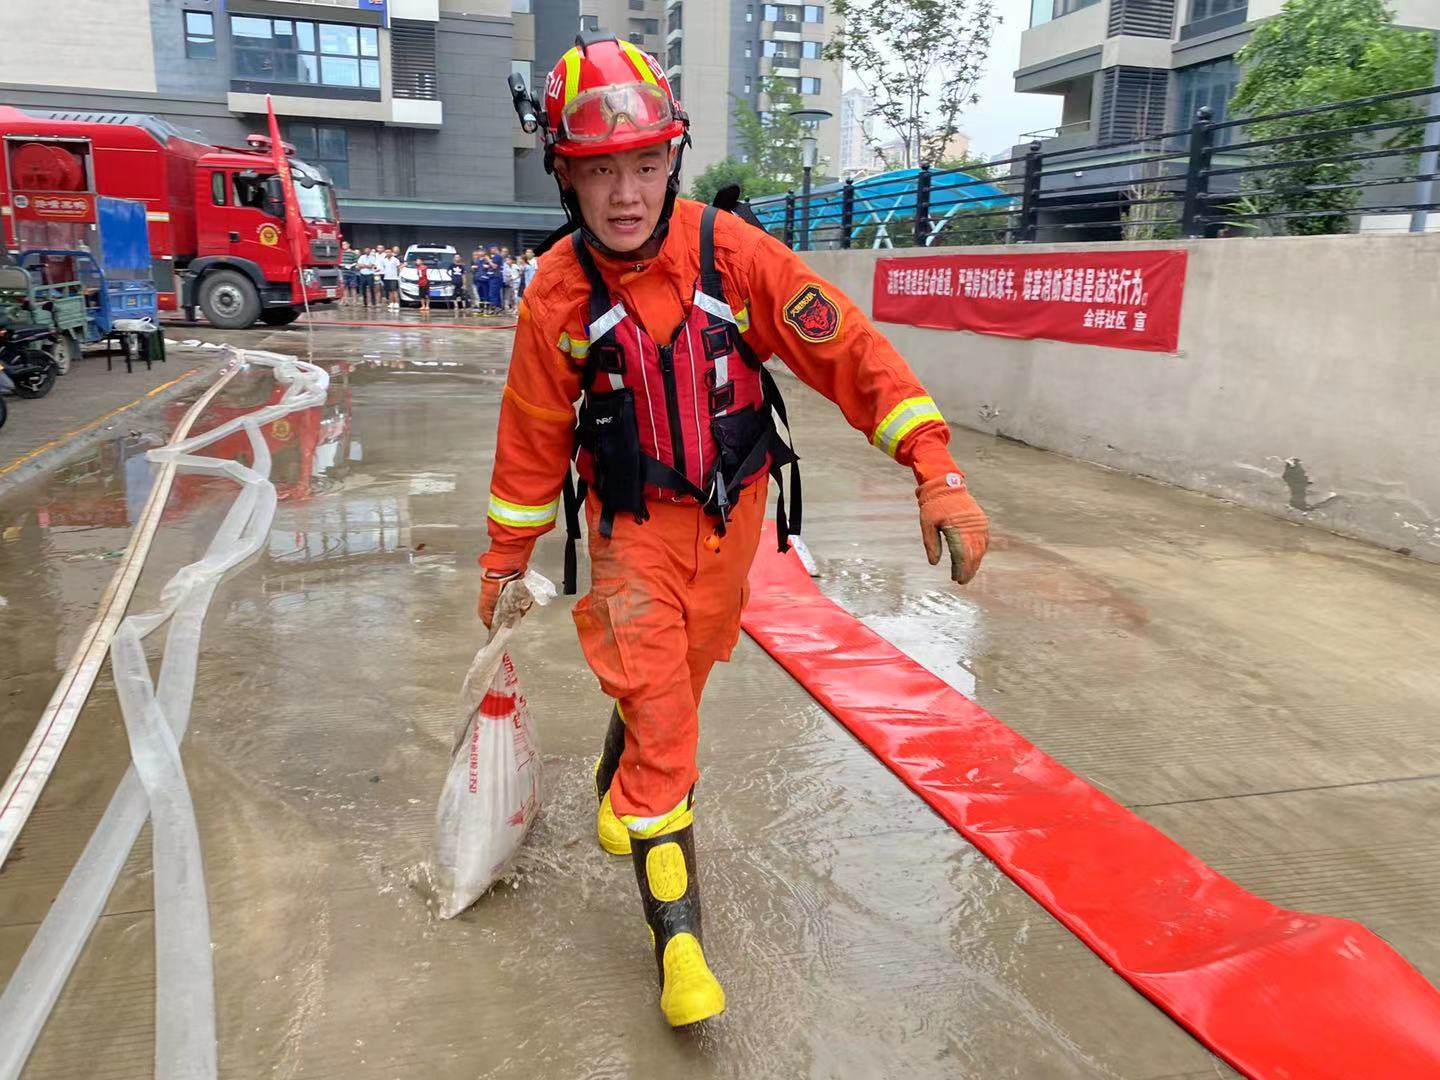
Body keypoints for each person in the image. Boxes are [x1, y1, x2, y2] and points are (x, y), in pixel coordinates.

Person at [479, 33, 989, 1029]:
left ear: (672, 157)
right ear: (564, 177)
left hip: (732, 529)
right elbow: (532, 439)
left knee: (679, 677)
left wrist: (936, 466)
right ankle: (680, 952)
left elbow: (849, 351)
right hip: (631, 537)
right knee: (668, 728)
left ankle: (617, 763)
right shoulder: (555, 296)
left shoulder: (735, 254)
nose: (625, 193)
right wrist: (505, 556)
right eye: (598, 171)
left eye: (644, 163)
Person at [382, 247, 401, 311]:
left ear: (391, 252)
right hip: (387, 277)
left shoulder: (395, 260)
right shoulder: (384, 260)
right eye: (386, 252)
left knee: (394, 291)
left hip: (394, 277)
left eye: (389, 252)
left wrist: (397, 275)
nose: (388, 253)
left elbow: (398, 268)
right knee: (389, 291)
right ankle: (391, 302)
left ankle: (396, 303)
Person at [340, 240, 359, 305]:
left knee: (353, 287)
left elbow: (356, 262)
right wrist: (341, 264)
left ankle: (354, 301)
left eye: (345, 244)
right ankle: (346, 301)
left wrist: (350, 265)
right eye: (342, 244)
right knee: (345, 287)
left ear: (348, 245)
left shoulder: (353, 253)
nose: (343, 246)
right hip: (344, 272)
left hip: (351, 272)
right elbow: (339, 261)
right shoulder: (341, 253)